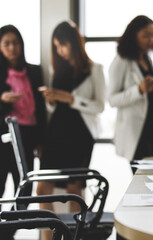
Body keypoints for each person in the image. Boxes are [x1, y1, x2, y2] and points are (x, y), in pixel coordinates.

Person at [36, 21, 105, 239]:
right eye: (56, 47)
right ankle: (50, 236)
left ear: (74, 44)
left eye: (62, 46)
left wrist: (71, 98)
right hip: (55, 134)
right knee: (42, 189)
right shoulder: (57, 68)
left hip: (80, 135)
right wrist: (52, 99)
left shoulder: (95, 69)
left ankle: (76, 237)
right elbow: (52, 109)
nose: (60, 51)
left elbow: (99, 106)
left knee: (74, 190)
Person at [108, 15, 153, 167]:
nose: (151, 40)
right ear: (133, 36)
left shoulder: (147, 60)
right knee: (142, 181)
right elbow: (112, 99)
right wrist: (138, 90)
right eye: (145, 35)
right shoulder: (122, 60)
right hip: (137, 134)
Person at [0, 25, 47, 199]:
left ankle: (11, 226)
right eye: (7, 43)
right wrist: (2, 99)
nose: (12, 48)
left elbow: (40, 109)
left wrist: (41, 141)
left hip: (28, 136)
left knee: (25, 187)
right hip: (4, 137)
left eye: (15, 43)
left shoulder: (34, 71)